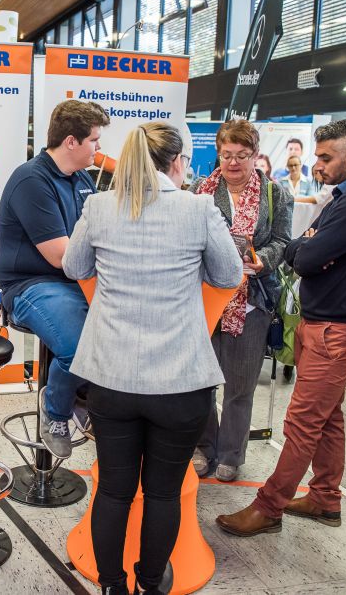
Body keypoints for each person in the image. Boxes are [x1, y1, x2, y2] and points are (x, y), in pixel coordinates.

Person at [63, 123, 242, 595]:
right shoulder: (198, 208)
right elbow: (229, 275)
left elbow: (74, 266)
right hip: (180, 381)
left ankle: (111, 586)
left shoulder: (100, 206)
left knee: (114, 490)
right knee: (163, 492)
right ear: (177, 162)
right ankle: (149, 583)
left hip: (112, 377)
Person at [216, 119, 346, 537]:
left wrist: (306, 247)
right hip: (327, 322)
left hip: (338, 328)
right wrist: (306, 245)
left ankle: (269, 507)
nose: (318, 165)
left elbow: (304, 256)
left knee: (302, 422)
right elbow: (301, 246)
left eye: (326, 157)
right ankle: (324, 497)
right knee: (327, 418)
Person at [0, 100, 111, 458]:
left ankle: (82, 393)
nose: (99, 148)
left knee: (118, 333)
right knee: (80, 345)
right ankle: (57, 409)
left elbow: (100, 235)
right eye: (94, 140)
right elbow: (61, 256)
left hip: (73, 282)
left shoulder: (81, 179)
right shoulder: (32, 180)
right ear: (71, 141)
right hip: (32, 285)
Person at [191, 119, 293, 482]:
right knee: (201, 382)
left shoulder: (275, 194)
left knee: (240, 385)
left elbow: (283, 240)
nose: (233, 163)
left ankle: (231, 454)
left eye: (242, 155)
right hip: (206, 298)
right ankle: (204, 447)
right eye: (226, 155)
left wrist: (262, 259)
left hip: (252, 301)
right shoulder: (200, 190)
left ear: (255, 155)